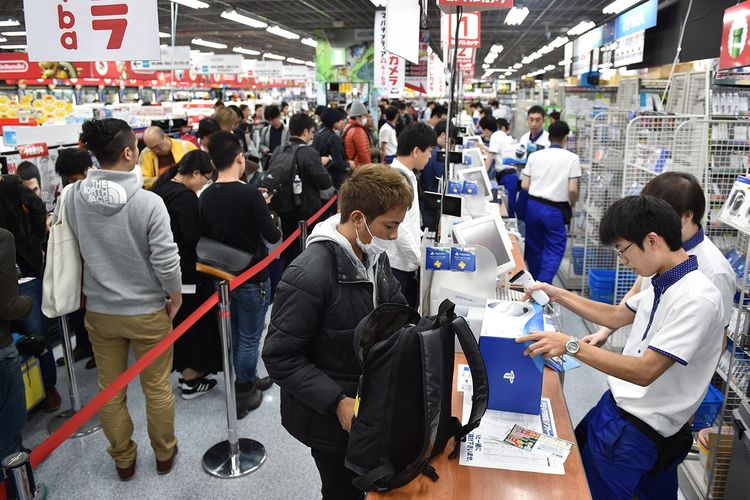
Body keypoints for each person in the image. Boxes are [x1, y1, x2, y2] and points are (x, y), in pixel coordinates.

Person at [519, 195, 724, 500]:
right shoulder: (664, 280)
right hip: (620, 411)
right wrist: (556, 294)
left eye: (623, 249)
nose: (622, 260)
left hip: (639, 429)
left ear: (652, 240)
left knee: (588, 490)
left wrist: (571, 345)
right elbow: (616, 315)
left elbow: (645, 371)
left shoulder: (697, 298)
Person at [263, 164, 410, 500]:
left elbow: (395, 311)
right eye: (390, 225)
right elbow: (279, 356)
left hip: (366, 405)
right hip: (331, 416)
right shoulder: (309, 274)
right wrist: (336, 401)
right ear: (358, 218)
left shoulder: (371, 254)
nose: (394, 235)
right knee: (340, 490)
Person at [69, 119, 182, 480]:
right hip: (148, 309)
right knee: (157, 387)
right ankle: (164, 454)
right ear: (129, 152)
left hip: (100, 311)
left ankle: (123, 459)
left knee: (110, 389)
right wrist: (175, 296)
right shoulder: (149, 203)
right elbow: (166, 260)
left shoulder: (72, 197)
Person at [585, 172, 735, 348]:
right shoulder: (656, 246)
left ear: (687, 216)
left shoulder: (714, 271)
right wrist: (605, 331)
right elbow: (636, 292)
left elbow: (718, 338)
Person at [201, 131, 282, 418]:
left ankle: (244, 379)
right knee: (250, 337)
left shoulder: (206, 195)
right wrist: (267, 209)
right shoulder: (249, 194)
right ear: (239, 157)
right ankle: (244, 388)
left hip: (221, 277)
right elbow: (272, 235)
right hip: (252, 276)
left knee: (236, 334)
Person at [152, 151, 222, 400]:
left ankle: (189, 375)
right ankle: (190, 380)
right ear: (194, 173)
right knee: (194, 326)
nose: (205, 183)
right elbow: (193, 238)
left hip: (164, 272)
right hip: (188, 273)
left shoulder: (161, 190)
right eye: (205, 177)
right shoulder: (185, 199)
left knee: (180, 324)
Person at [0, 174, 60, 412]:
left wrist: (34, 240)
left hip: (23, 270)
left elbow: (36, 205)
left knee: (35, 330)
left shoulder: (8, 184)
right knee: (11, 334)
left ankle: (49, 386)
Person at [262, 113, 334, 267]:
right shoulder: (308, 152)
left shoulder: (279, 150)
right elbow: (324, 181)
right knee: (305, 248)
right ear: (306, 131)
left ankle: (287, 272)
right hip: (305, 210)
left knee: (288, 246)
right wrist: (322, 165)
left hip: (283, 207)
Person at [521, 120, 580, 284]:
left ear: (549, 138)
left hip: (532, 206)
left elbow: (524, 185)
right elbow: (573, 189)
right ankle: (543, 287)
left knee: (534, 247)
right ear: (566, 138)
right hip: (555, 210)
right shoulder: (572, 158)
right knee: (554, 249)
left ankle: (533, 284)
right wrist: (573, 203)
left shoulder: (535, 156)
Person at [0, 228, 35, 499]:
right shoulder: (2, 238)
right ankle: (17, 489)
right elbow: (9, 305)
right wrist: (27, 302)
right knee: (9, 425)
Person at [53, 148, 95, 369]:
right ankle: (82, 344)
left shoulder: (98, 189)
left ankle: (98, 349)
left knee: (94, 305)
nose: (70, 180)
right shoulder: (69, 191)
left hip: (95, 257)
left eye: (73, 175)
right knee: (76, 304)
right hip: (74, 255)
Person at [388, 123, 437, 308]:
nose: (430, 156)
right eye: (429, 151)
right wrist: (419, 259)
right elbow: (399, 226)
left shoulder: (405, 175)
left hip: (403, 261)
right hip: (398, 265)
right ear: (416, 151)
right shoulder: (398, 179)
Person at [313, 108, 354, 190]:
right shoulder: (333, 138)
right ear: (334, 122)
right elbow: (339, 163)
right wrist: (349, 164)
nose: (342, 122)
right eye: (340, 120)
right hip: (334, 180)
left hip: (322, 177)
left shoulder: (318, 134)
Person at [343, 101, 372, 167]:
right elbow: (364, 153)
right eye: (364, 116)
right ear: (357, 117)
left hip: (351, 163)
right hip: (358, 166)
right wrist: (369, 168)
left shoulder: (348, 126)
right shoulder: (358, 131)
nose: (366, 119)